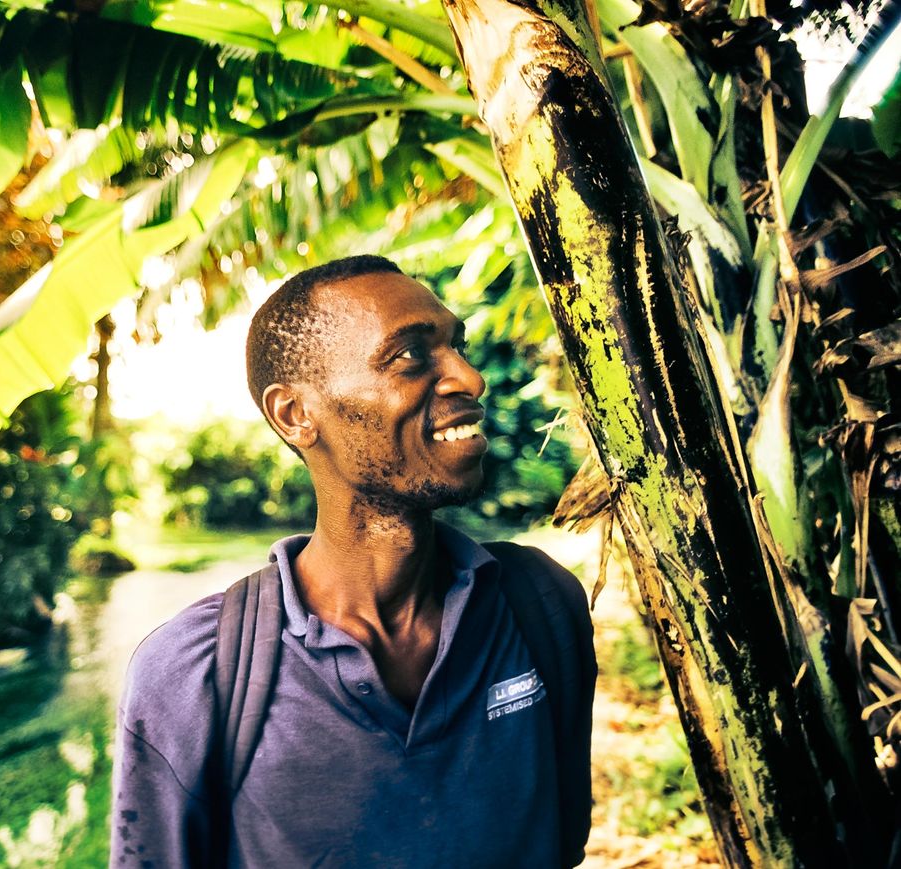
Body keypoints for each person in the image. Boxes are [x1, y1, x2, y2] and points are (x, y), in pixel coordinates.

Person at [110, 255, 595, 868]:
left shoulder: (541, 603)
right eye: (412, 356)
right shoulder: (194, 672)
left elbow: (563, 839)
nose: (470, 378)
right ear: (295, 415)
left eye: (456, 347)